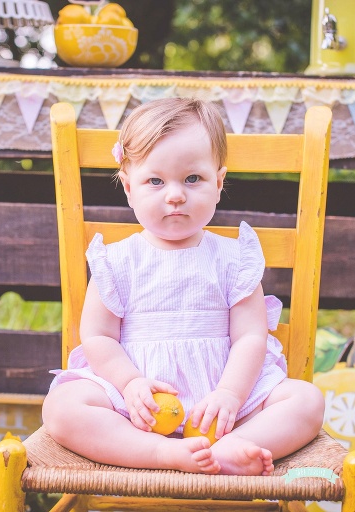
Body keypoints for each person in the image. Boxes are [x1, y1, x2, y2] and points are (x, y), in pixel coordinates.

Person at [42, 97, 325, 476]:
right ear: (128, 187)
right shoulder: (116, 261)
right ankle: (158, 453)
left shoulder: (233, 258)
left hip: (224, 407)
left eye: (193, 179)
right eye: (155, 181)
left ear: (219, 182)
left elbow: (250, 337)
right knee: (62, 408)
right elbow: (97, 337)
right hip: (137, 408)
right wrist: (129, 384)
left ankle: (231, 449)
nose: (175, 194)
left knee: (306, 400)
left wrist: (229, 395)